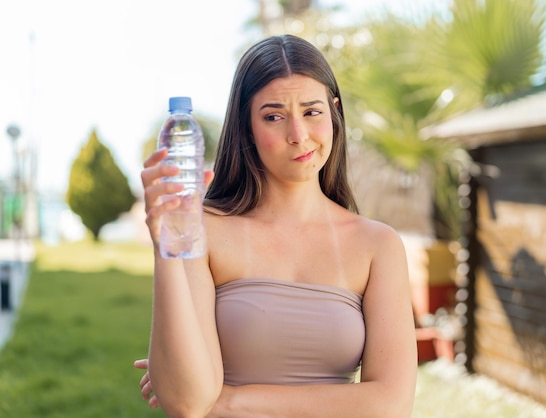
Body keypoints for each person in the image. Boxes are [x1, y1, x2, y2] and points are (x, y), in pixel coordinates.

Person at [135, 33, 417, 417]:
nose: (298, 135)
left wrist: (229, 400)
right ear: (246, 127)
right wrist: (166, 245)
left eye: (312, 112)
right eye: (273, 116)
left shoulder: (377, 245)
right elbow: (186, 403)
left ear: (334, 111)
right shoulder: (203, 231)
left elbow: (390, 404)